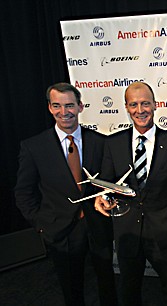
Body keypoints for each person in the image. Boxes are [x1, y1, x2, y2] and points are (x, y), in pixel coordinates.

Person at [14, 82, 117, 306]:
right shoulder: (34, 147)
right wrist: (42, 225)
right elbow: (23, 192)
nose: (64, 112)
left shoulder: (101, 142)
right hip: (60, 231)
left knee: (107, 284)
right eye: (57, 106)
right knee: (71, 290)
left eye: (69, 105)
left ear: (80, 107)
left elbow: (108, 184)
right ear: (50, 108)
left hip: (98, 226)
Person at [94, 81, 167, 306]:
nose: (140, 110)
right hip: (127, 232)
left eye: (145, 103)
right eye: (134, 104)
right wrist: (104, 198)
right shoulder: (113, 143)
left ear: (155, 105)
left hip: (162, 232)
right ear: (126, 107)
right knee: (129, 289)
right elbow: (107, 185)